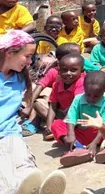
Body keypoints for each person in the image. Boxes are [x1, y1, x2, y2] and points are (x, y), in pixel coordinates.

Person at [0, 30, 67, 194]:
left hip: (11, 133)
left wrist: (27, 107)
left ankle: (34, 189)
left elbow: (30, 96)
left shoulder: (20, 78)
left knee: (26, 168)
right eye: (27, 56)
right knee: (5, 174)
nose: (30, 61)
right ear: (10, 53)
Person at [52, 71, 105, 167]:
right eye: (88, 94)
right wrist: (71, 135)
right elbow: (71, 118)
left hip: (100, 134)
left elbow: (103, 125)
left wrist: (94, 143)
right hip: (79, 134)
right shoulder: (78, 99)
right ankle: (78, 148)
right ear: (84, 88)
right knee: (56, 124)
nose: (91, 98)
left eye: (96, 96)